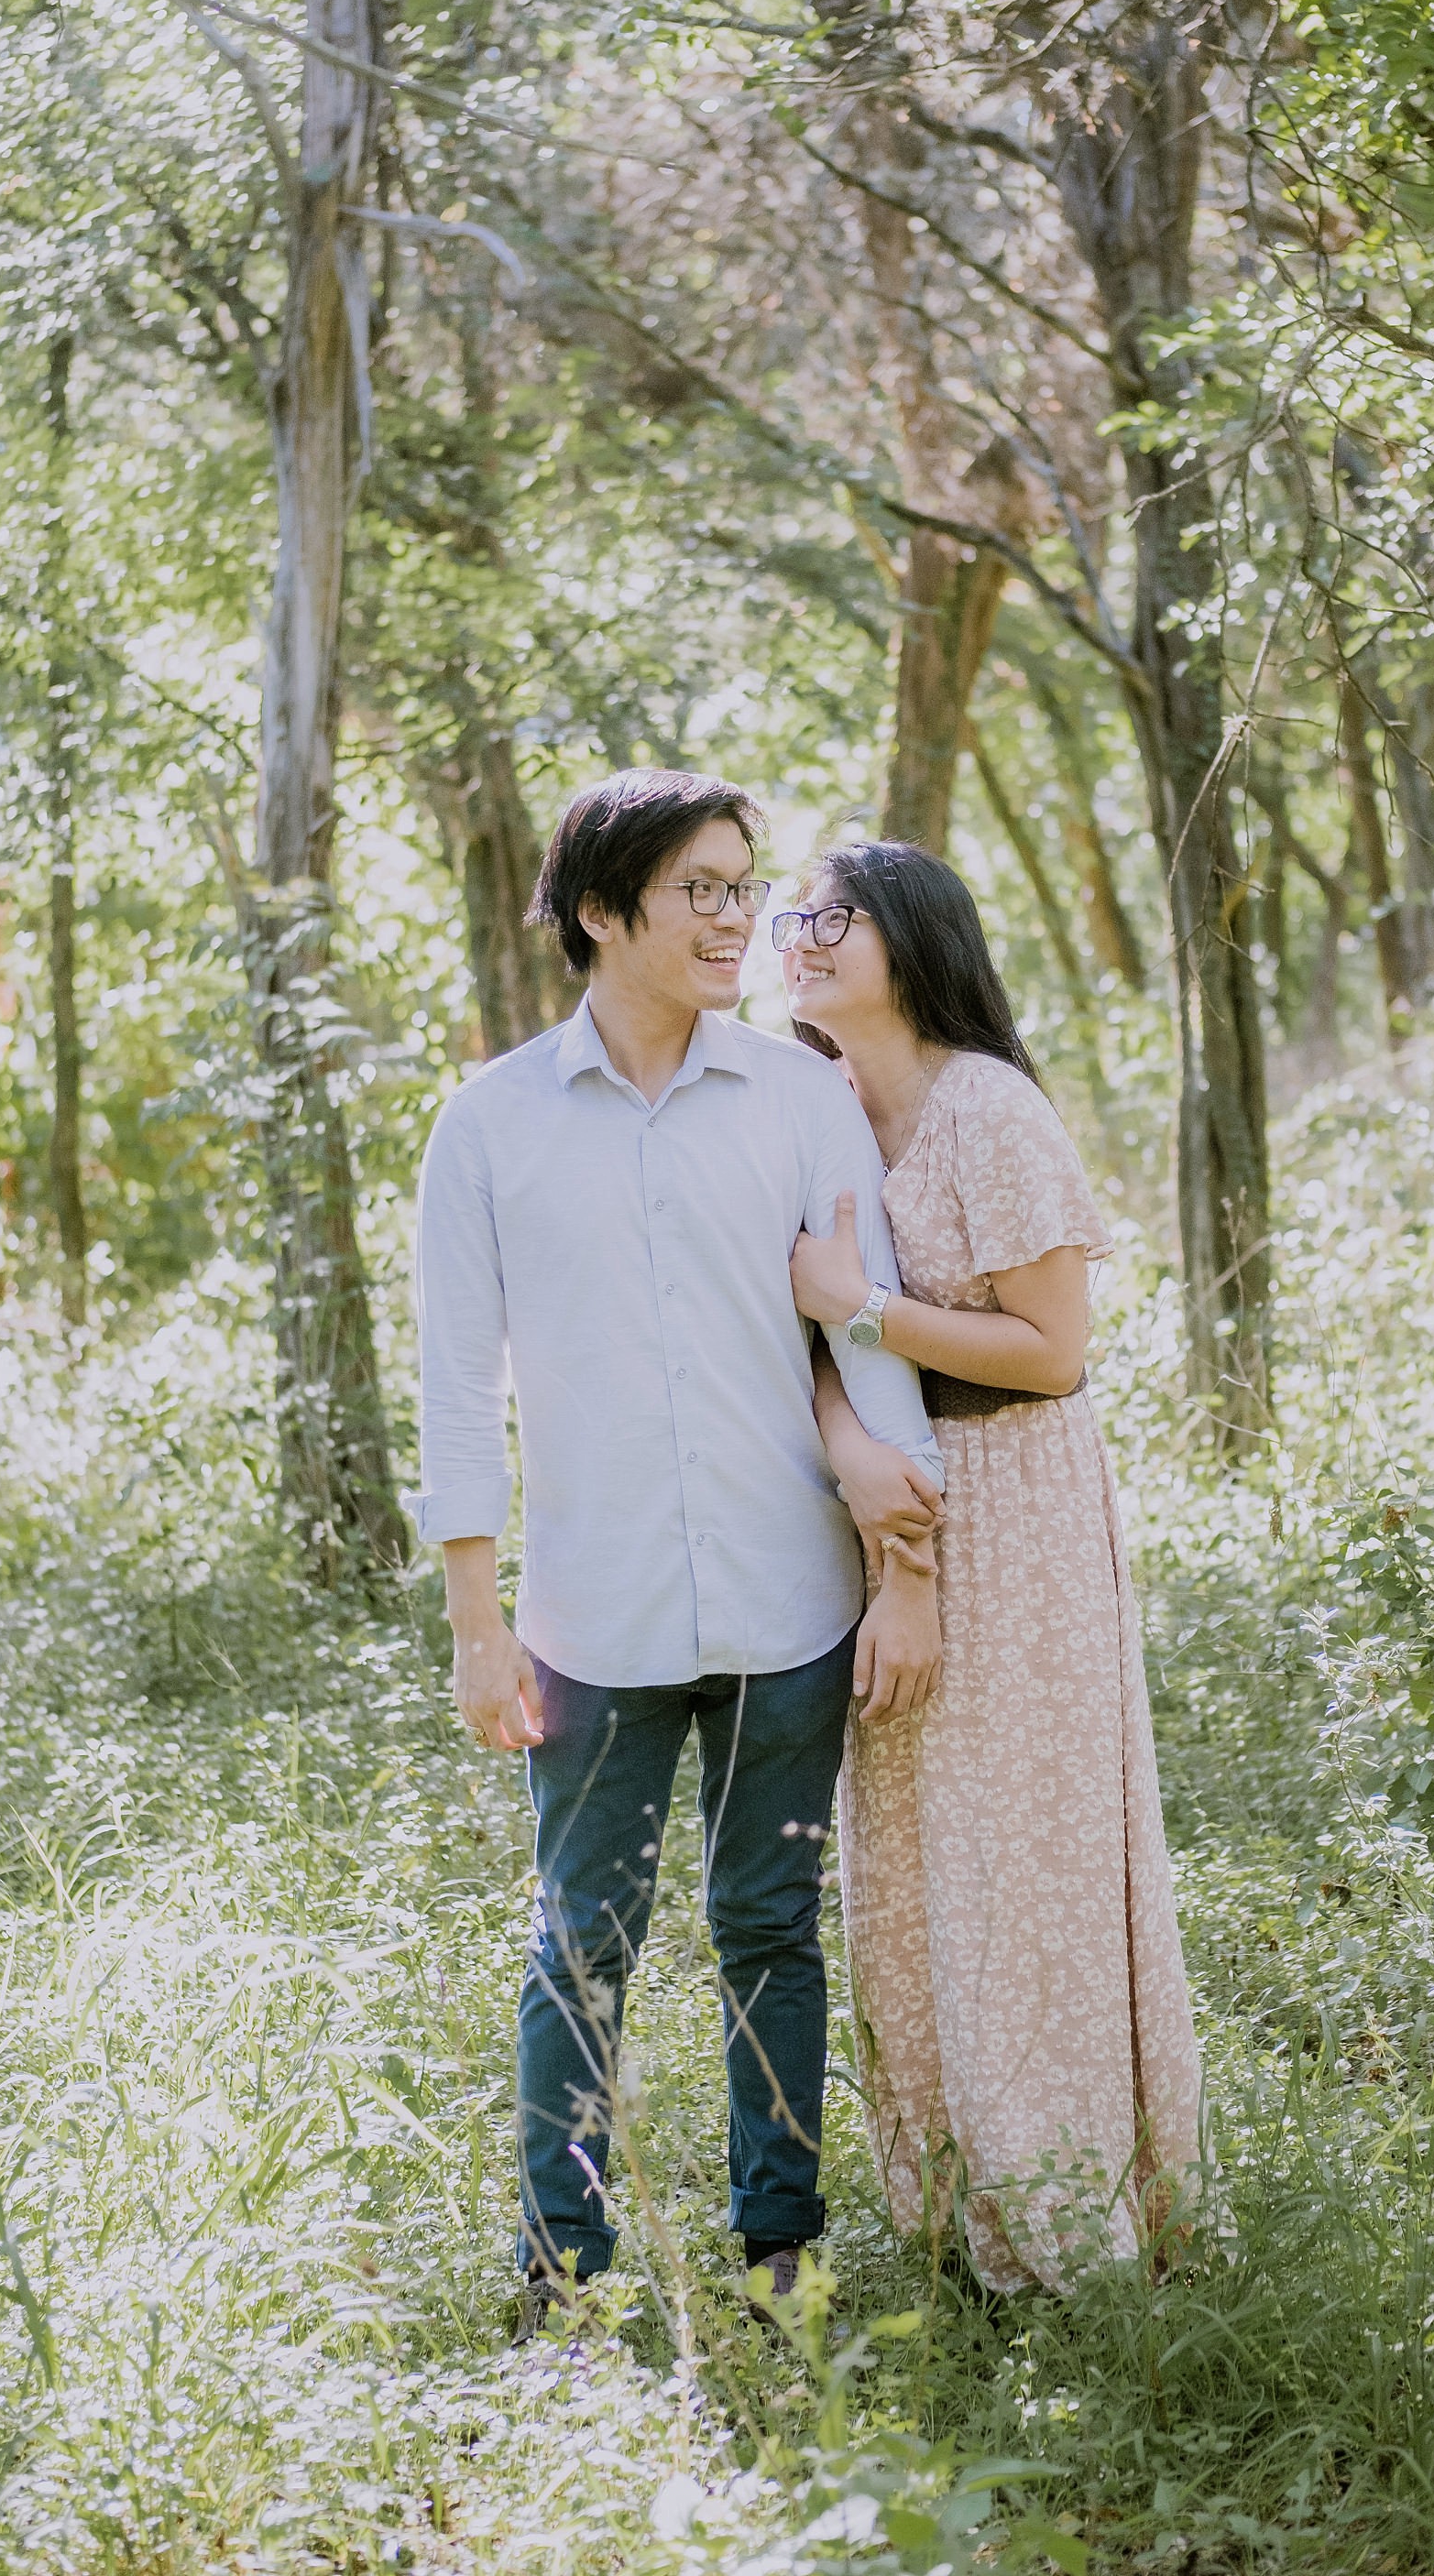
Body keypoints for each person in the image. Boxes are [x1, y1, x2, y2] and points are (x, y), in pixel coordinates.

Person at [406, 770, 947, 2331]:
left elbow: (872, 1347)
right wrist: (475, 1621)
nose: (737, 921)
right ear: (601, 909)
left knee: (772, 1925)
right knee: (583, 1939)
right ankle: (563, 2265)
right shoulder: (490, 1122)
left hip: (793, 1604)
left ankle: (782, 2250)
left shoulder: (800, 1098)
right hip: (594, 1613)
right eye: (701, 890)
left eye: (744, 887)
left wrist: (904, 1571)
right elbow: (453, 1383)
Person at [777, 838, 1201, 2290]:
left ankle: (1075, 2226)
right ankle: (961, 2220)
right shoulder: (816, 1109)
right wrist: (851, 1435)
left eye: (837, 915)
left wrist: (871, 1312)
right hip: (885, 1501)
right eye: (795, 915)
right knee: (917, 1865)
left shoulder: (987, 1110)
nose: (804, 934)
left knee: (1031, 1859)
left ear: (914, 937)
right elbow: (799, 1334)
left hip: (1017, 1505)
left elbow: (1054, 1351)